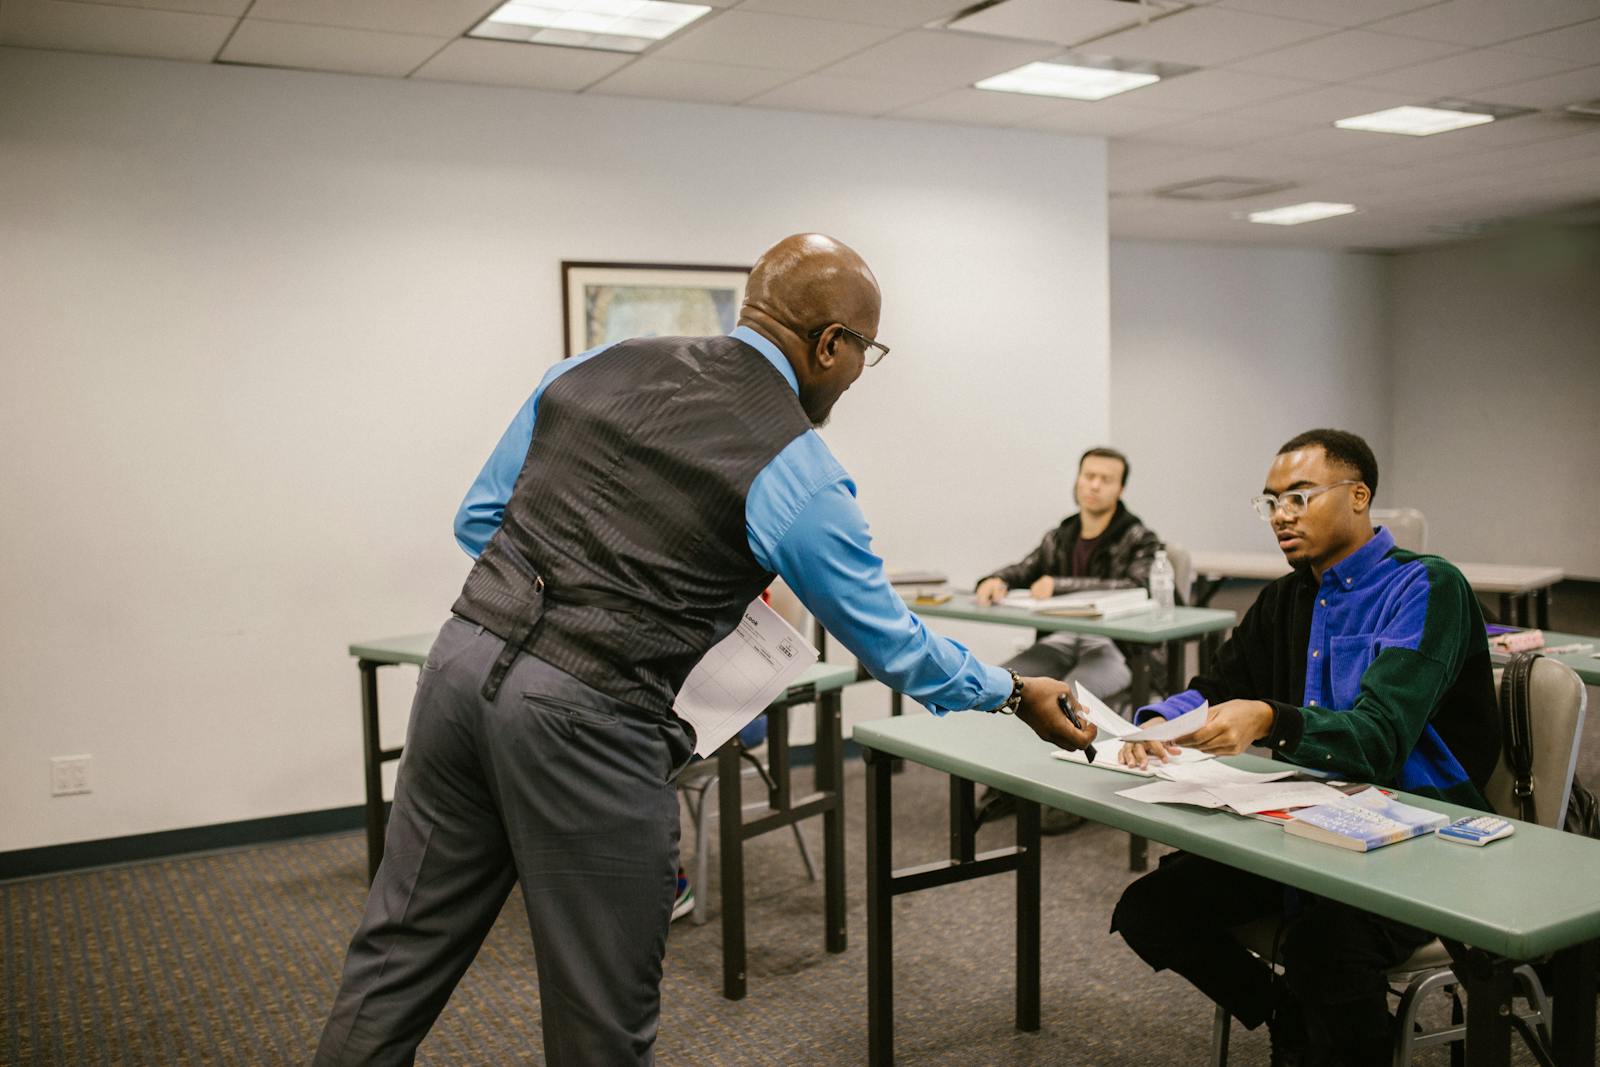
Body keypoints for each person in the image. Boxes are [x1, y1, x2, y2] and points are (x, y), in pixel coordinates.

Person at [313, 233, 1096, 1066]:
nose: (861, 369)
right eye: (867, 350)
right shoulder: (799, 469)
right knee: (598, 1019)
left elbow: (480, 521)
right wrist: (1011, 691)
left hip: (460, 662)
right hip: (585, 720)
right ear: (831, 345)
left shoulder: (599, 361)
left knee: (396, 954)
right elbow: (890, 641)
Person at [1109, 428, 1499, 1067]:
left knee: (1324, 949)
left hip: (1421, 834)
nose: (1280, 517)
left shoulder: (1426, 587)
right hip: (1309, 823)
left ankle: (1331, 1031)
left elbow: (1380, 738)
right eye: (1270, 503)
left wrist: (1271, 718)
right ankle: (1290, 1013)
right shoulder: (1287, 596)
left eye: (1298, 497)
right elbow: (1216, 688)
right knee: (1152, 908)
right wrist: (1150, 728)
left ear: (1358, 496)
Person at [972, 446, 1162, 832]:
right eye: (1087, 476)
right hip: (1064, 638)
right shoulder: (1061, 534)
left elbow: (1138, 585)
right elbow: (1025, 568)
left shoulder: (1139, 537)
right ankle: (1015, 784)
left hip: (1114, 645)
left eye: (1105, 479)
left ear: (1120, 489)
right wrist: (997, 579)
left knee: (1072, 691)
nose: (1093, 485)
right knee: (1008, 681)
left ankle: (1076, 791)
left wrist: (1060, 586)